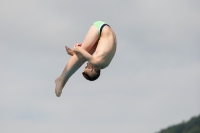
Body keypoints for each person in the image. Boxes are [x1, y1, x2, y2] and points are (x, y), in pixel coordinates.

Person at [55, 21, 117, 97]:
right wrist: (75, 50)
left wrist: (74, 54)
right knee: (81, 57)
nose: (86, 64)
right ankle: (61, 79)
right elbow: (78, 49)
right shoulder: (96, 62)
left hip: (106, 31)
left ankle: (62, 81)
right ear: (91, 69)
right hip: (100, 28)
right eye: (86, 67)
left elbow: (92, 52)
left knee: (83, 56)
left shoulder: (104, 64)